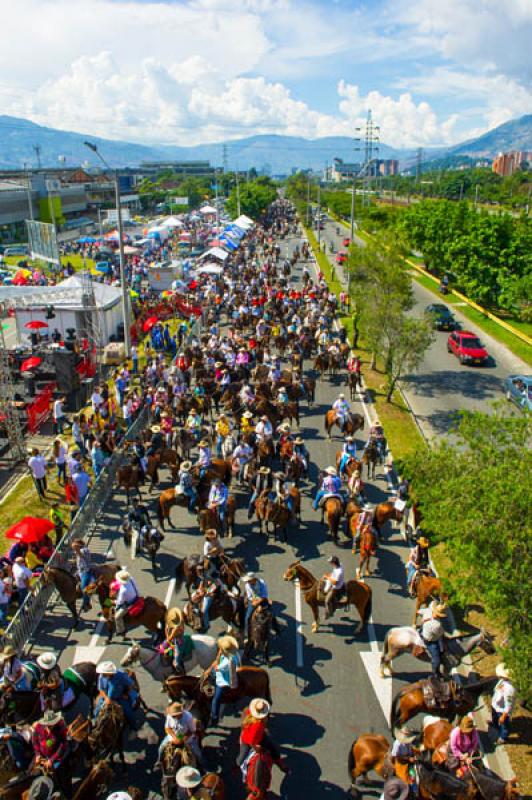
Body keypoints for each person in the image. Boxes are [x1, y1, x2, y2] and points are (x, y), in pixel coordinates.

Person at [236, 698, 289, 774]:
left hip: (259, 736)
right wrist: (257, 748)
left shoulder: (248, 711)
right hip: (248, 741)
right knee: (242, 756)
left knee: (273, 748)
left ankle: (280, 764)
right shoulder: (258, 726)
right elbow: (251, 742)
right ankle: (237, 766)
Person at [156, 701, 207, 771]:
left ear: (180, 714)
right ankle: (159, 761)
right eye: (172, 715)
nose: (172, 717)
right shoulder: (169, 716)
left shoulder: (188, 717)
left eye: (174, 716)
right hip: (173, 737)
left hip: (187, 738)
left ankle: (204, 766)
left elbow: (192, 730)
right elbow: (167, 728)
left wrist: (182, 739)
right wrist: (175, 737)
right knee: (161, 748)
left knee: (197, 752)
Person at [31, 710, 71, 796]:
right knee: (31, 771)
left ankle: (68, 794)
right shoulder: (39, 727)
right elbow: (34, 741)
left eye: (51, 724)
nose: (49, 726)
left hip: (57, 756)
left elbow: (62, 746)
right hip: (42, 756)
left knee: (61, 774)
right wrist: (37, 754)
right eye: (48, 724)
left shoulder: (61, 727)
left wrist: (52, 760)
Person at [207, 635, 241, 726]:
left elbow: (217, 668)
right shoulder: (232, 655)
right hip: (225, 672)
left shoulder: (227, 662)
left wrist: (214, 664)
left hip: (224, 681)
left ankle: (214, 718)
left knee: (216, 700)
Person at [94, 661, 138, 729]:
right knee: (96, 712)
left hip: (119, 698)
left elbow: (131, 684)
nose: (103, 675)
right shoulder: (101, 677)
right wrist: (106, 698)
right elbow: (101, 689)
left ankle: (134, 727)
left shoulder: (121, 676)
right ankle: (95, 725)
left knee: (128, 712)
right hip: (106, 699)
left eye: (104, 673)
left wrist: (126, 693)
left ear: (110, 673)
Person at [242, 573, 280, 637]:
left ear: (253, 579)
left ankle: (276, 629)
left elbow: (265, 594)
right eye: (247, 580)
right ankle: (246, 633)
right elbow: (249, 596)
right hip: (253, 601)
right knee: (247, 617)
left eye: (249, 580)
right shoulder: (247, 585)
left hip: (262, 599)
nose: (247, 582)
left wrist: (259, 602)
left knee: (271, 614)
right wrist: (254, 601)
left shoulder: (261, 583)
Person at [419, 601, 448, 676]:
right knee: (437, 660)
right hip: (430, 641)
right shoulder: (437, 625)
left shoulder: (428, 611)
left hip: (423, 630)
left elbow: (419, 611)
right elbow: (440, 635)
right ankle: (436, 673)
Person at [191, 564, 221, 632]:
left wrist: (205, 593)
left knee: (204, 611)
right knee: (192, 596)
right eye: (198, 571)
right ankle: (195, 610)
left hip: (209, 596)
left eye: (200, 571)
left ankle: (207, 625)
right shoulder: (203, 577)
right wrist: (198, 591)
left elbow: (212, 589)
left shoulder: (213, 580)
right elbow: (201, 585)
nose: (199, 572)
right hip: (204, 592)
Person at [491, 663, 516, 744]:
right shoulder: (503, 680)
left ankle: (503, 737)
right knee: (495, 719)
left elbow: (509, 704)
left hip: (502, 711)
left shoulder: (510, 689)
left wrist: (503, 716)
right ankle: (496, 727)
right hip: (496, 706)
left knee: (504, 726)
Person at [114, 570, 140, 636]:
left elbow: (120, 602)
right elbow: (136, 587)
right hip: (137, 597)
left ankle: (121, 630)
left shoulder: (123, 590)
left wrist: (113, 602)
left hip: (130, 603)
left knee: (117, 617)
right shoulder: (131, 579)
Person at [71, 539, 94, 613]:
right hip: (79, 571)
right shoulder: (79, 551)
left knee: (85, 589)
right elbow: (78, 560)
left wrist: (76, 550)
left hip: (85, 571)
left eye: (75, 545)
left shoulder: (84, 550)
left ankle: (86, 604)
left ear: (79, 545)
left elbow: (82, 556)